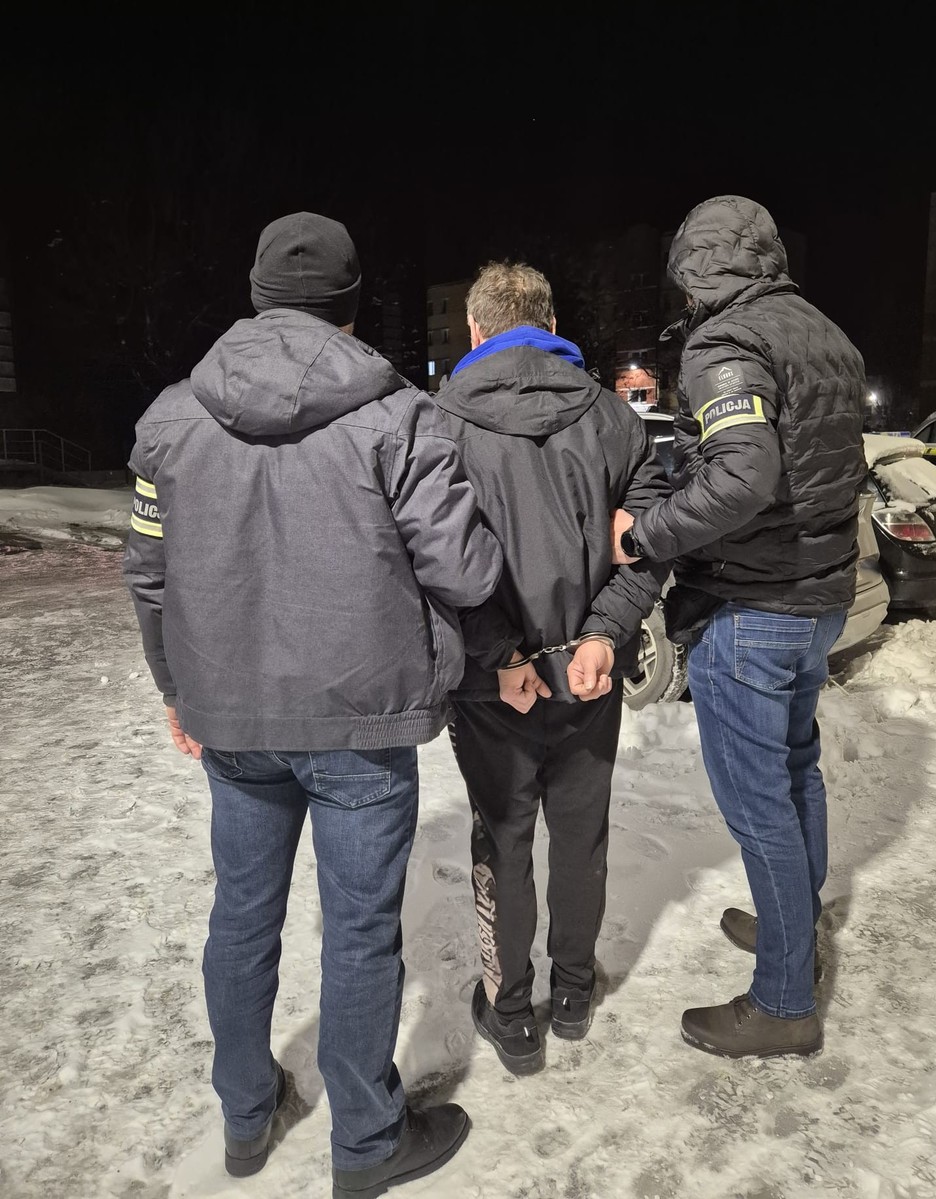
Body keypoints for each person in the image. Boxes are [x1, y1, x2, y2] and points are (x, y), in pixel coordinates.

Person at [122, 212, 503, 1198]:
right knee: (360, 928)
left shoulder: (172, 418)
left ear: (256, 295)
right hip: (360, 720)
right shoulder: (399, 416)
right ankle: (366, 1141)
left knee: (241, 914)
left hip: (233, 718)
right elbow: (465, 569)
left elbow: (149, 575)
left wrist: (176, 689)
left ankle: (246, 1115)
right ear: (350, 304)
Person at [611, 195, 867, 1059]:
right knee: (796, 772)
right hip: (817, 597)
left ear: (696, 269)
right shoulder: (823, 333)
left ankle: (785, 1000)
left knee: (759, 806)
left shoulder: (725, 344)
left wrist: (644, 533)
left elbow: (743, 476)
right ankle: (795, 920)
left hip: (754, 608)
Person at [433, 260, 673, 1075]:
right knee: (580, 834)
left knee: (503, 839)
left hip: (496, 685)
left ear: (476, 330)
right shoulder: (613, 419)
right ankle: (570, 993)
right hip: (583, 675)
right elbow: (652, 539)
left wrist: (499, 653)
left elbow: (435, 560)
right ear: (551, 324)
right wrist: (605, 631)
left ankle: (513, 1015)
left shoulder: (440, 424)